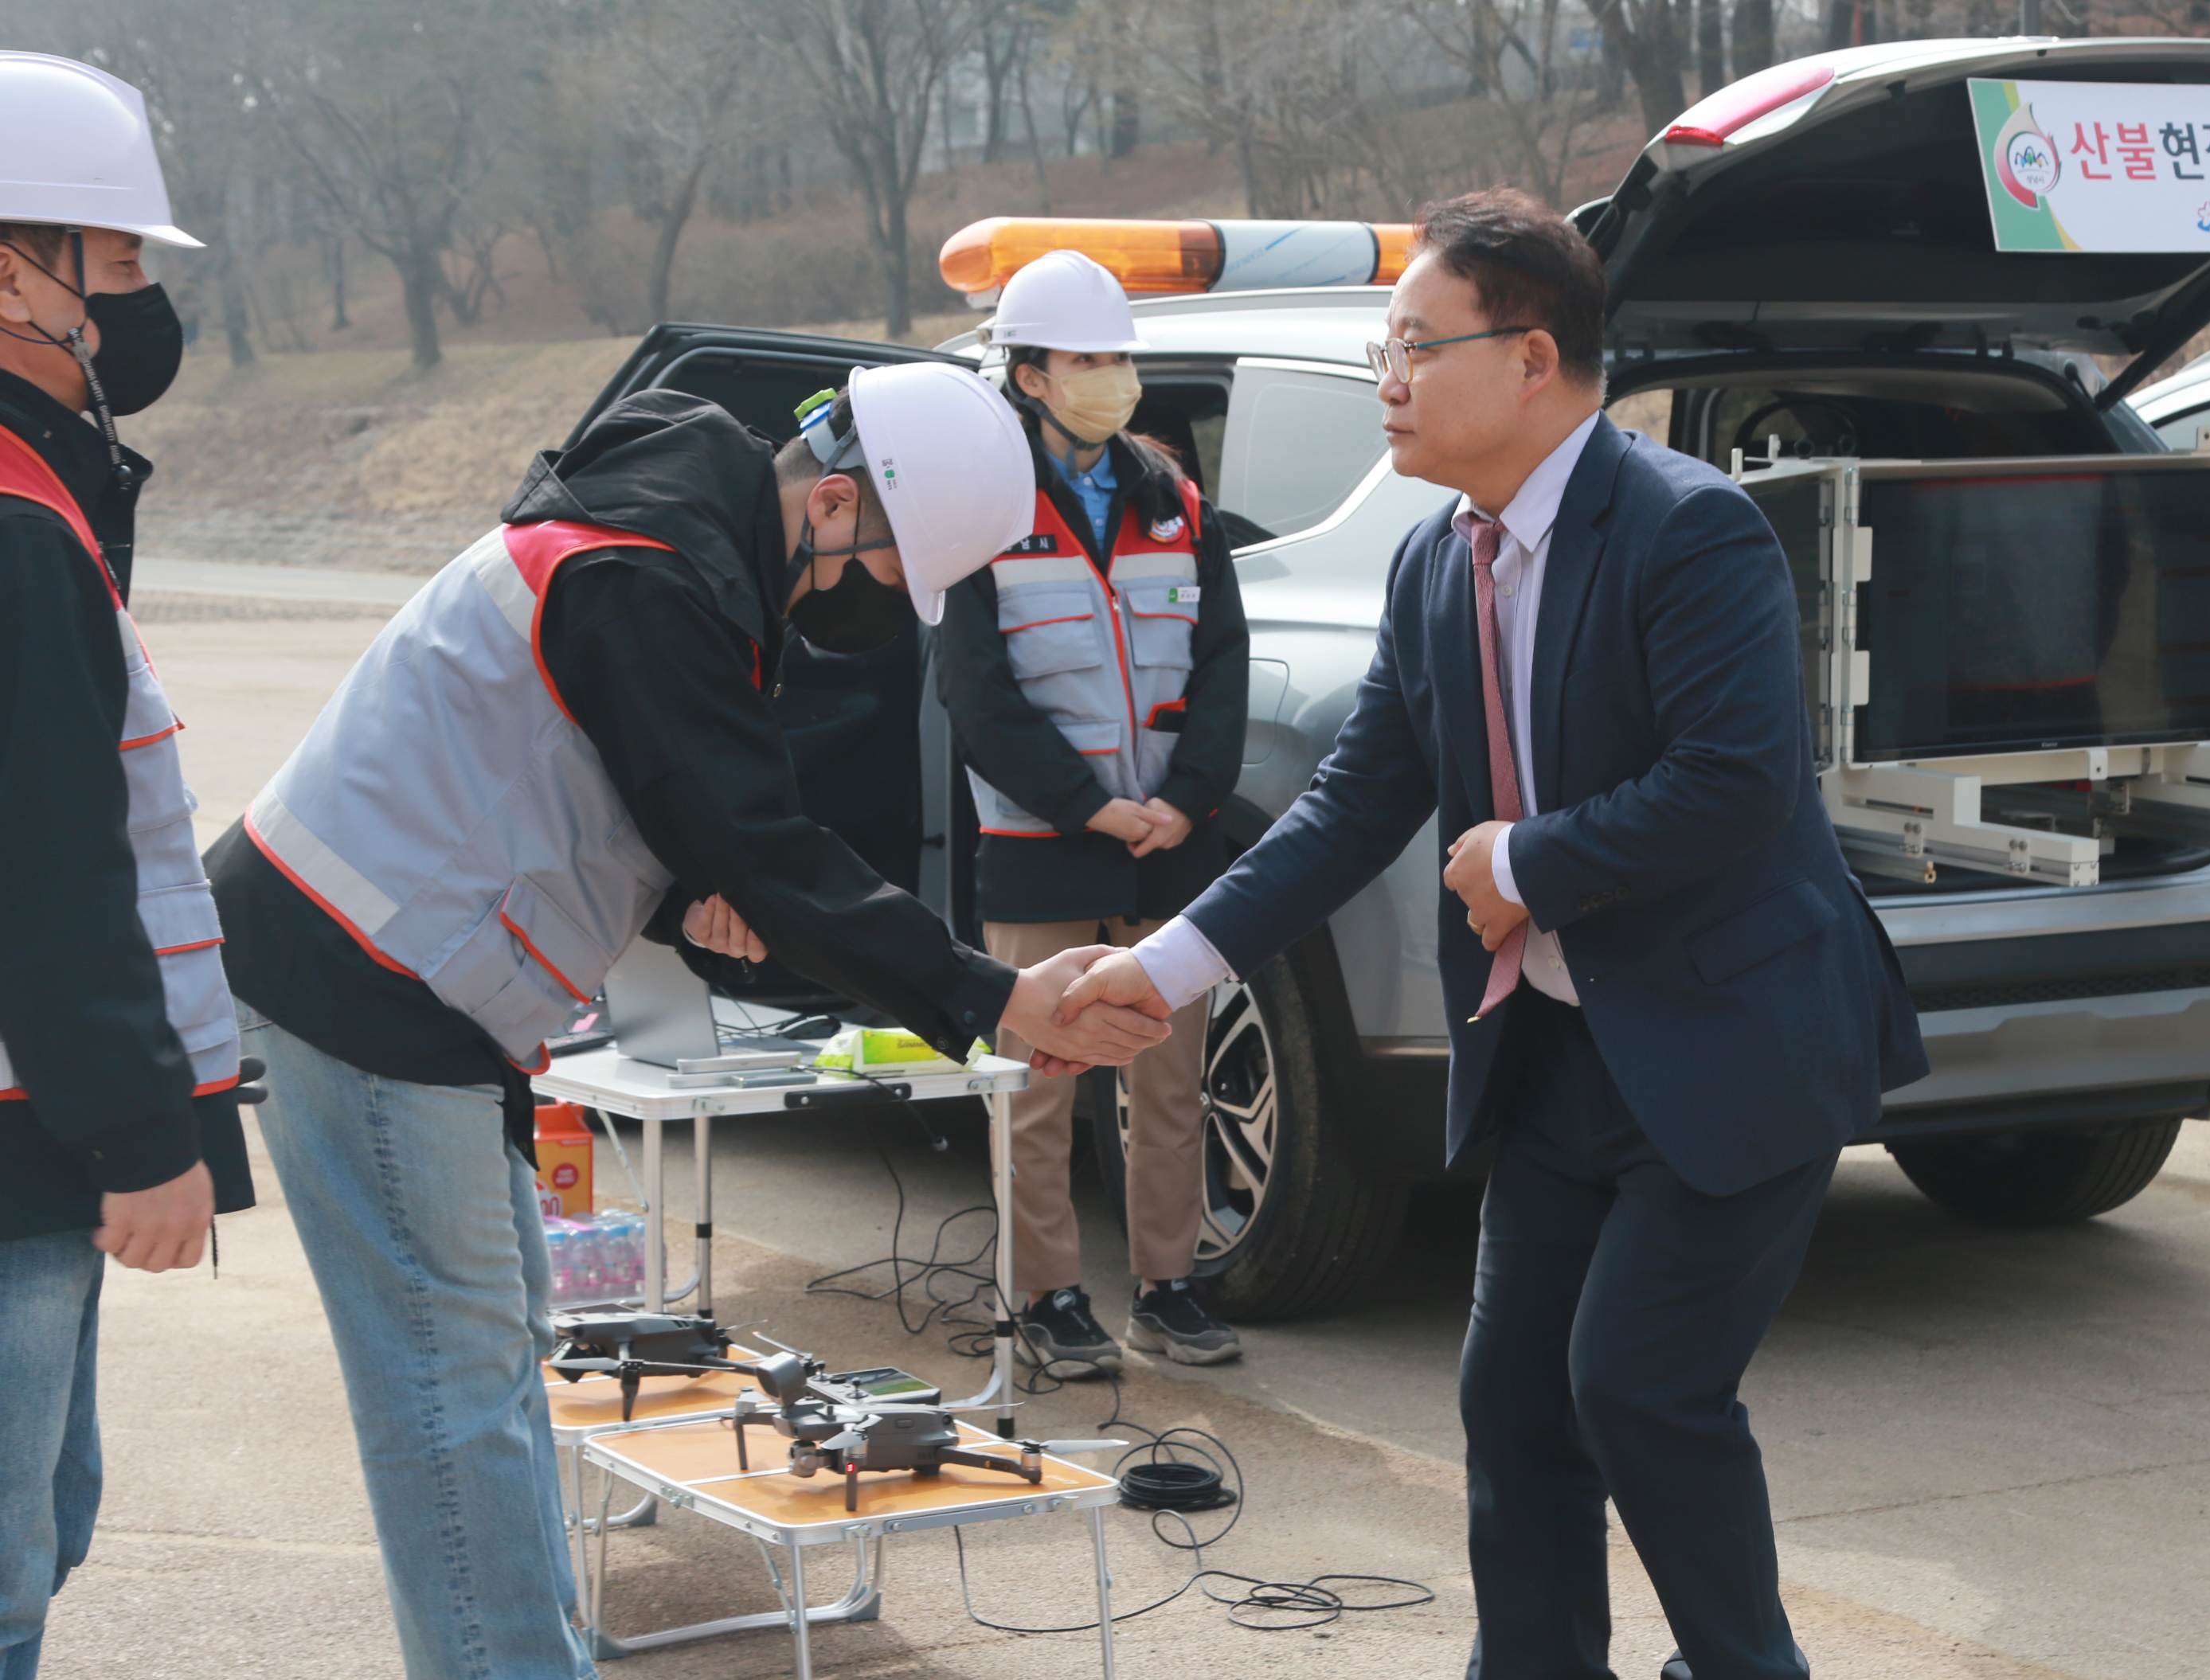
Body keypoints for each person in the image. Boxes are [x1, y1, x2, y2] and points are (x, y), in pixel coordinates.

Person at [1056, 191, 1928, 1678]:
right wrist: (1162, 965)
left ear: (1532, 359)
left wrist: (1526, 855)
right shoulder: (1430, 559)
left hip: (1732, 1049)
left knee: (1638, 1387)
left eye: (1413, 345)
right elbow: (1342, 811)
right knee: (1514, 1402)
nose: (1387, 379)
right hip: (1551, 1055)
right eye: (1383, 348)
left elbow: (1734, 782)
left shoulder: (1686, 528)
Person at [203, 364, 1168, 1680]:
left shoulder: (671, 525)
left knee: (492, 1369)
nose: (842, 599)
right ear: (831, 502)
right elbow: (756, 830)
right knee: (453, 1396)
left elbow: (606, 773)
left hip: (397, 971)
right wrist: (990, 994)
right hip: (366, 976)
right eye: (858, 572)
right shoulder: (648, 577)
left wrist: (689, 889)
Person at [0, 53, 256, 1680]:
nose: (141, 300)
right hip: (29, 1126)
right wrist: (144, 1130)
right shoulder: (15, 513)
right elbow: (49, 861)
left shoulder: (46, 489)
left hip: (37, 1117)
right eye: (117, 258)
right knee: (11, 1561)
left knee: (50, 1517)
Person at [936, 251, 1250, 1373]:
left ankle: (1168, 1282)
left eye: (1119, 356)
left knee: (1170, 1076)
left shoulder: (1177, 500)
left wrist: (1182, 801)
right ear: (1026, 373)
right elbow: (977, 698)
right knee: (1036, 1083)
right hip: (1042, 848)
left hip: (1172, 846)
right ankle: (1046, 1298)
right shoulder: (978, 512)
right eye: (1086, 358)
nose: (1109, 376)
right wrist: (1090, 809)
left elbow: (1223, 662)